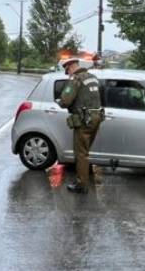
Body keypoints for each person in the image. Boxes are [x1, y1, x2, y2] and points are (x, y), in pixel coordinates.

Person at [58, 57, 103, 193]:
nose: (69, 74)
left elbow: (65, 101)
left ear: (71, 67)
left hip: (84, 120)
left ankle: (82, 185)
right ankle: (84, 176)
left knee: (81, 153)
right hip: (96, 117)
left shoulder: (76, 79)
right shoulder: (93, 77)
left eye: (68, 71)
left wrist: (60, 101)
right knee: (85, 150)